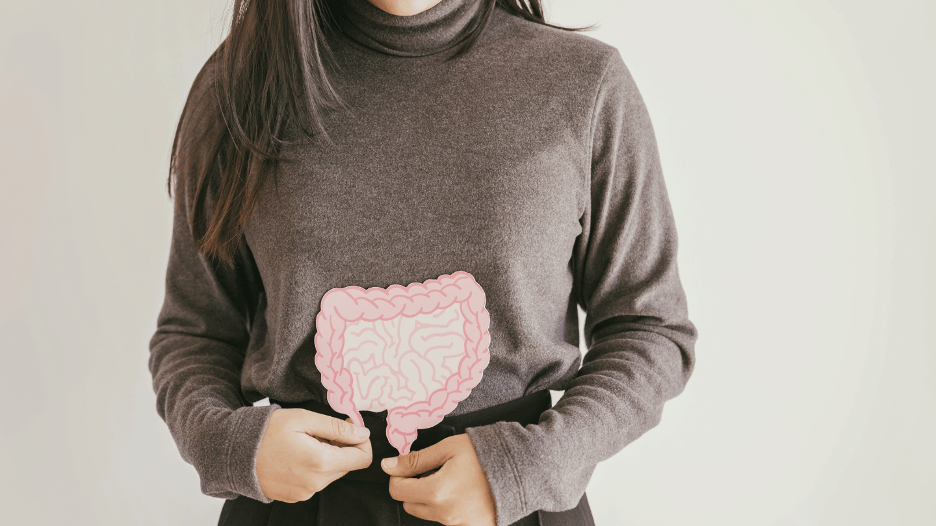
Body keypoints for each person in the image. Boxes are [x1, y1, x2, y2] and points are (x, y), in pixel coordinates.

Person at [148, 0, 698, 525]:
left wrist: (533, 465)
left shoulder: (585, 83)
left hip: (515, 505)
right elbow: (195, 333)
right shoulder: (238, 89)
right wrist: (229, 444)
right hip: (298, 509)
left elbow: (649, 328)